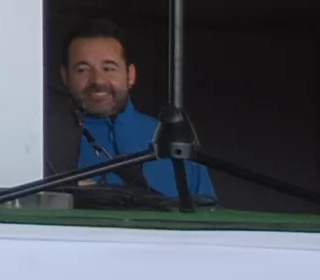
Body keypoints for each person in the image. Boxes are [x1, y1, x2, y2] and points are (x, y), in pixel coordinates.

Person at [63, 19, 217, 202]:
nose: (98, 81)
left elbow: (206, 219)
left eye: (109, 68)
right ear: (65, 76)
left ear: (131, 75)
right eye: (82, 70)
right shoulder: (47, 143)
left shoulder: (172, 140)